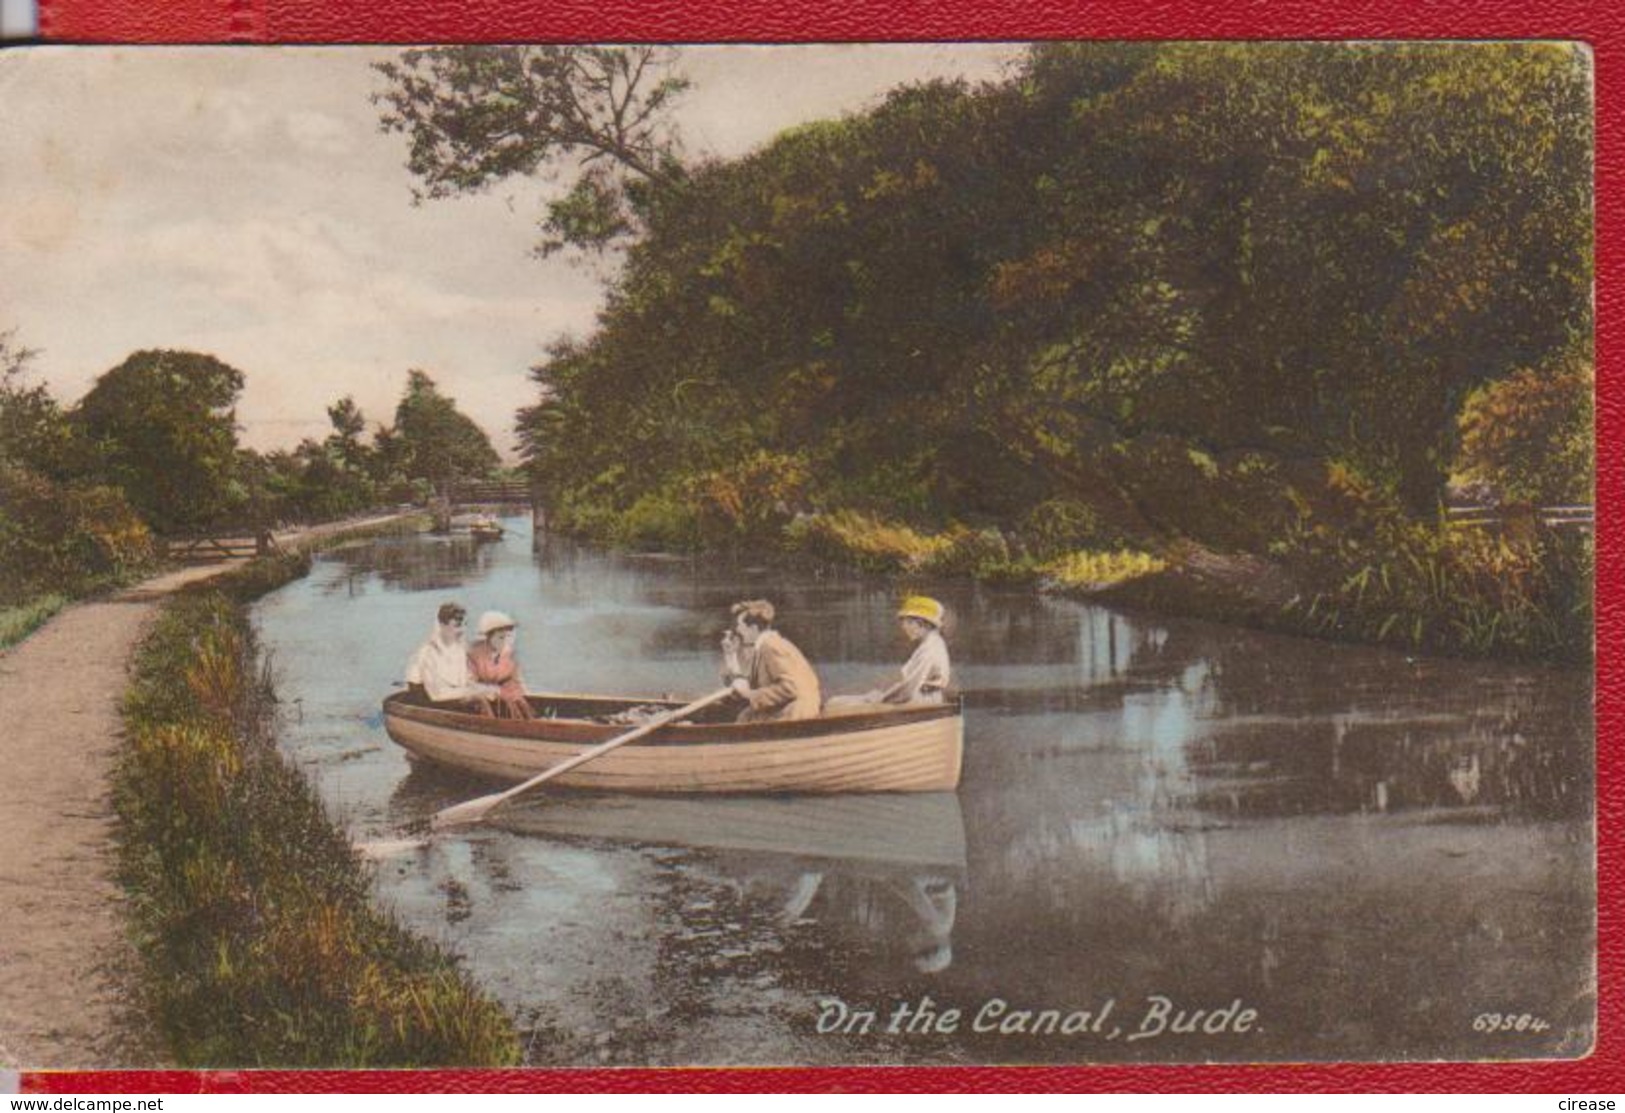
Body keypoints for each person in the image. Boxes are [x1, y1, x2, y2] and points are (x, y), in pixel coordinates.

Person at [829, 595, 952, 709]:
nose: (904, 627)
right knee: (839, 701)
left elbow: (908, 689)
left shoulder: (929, 650)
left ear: (922, 624)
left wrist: (880, 700)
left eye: (909, 622)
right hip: (920, 698)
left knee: (837, 703)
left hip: (922, 701)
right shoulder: (933, 643)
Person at [719, 599, 822, 722]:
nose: (738, 631)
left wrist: (749, 695)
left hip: (795, 714)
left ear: (753, 628)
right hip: (787, 709)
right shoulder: (764, 645)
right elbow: (750, 685)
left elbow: (791, 687)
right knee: (743, 716)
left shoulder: (771, 646)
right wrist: (730, 655)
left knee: (744, 718)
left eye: (740, 626)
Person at [404, 602, 499, 710]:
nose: (463, 630)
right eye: (457, 626)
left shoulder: (460, 649)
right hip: (426, 702)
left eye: (465, 625)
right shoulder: (428, 652)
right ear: (442, 625)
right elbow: (436, 695)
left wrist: (488, 689)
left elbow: (465, 682)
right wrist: (475, 692)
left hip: (448, 698)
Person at [466, 610, 536, 719]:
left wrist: (524, 694)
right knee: (483, 702)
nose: (505, 642)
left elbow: (516, 680)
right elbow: (468, 684)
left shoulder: (509, 653)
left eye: (508, 637)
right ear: (488, 637)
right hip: (476, 696)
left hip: (501, 697)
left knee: (518, 701)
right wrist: (494, 691)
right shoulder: (473, 654)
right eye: (500, 637)